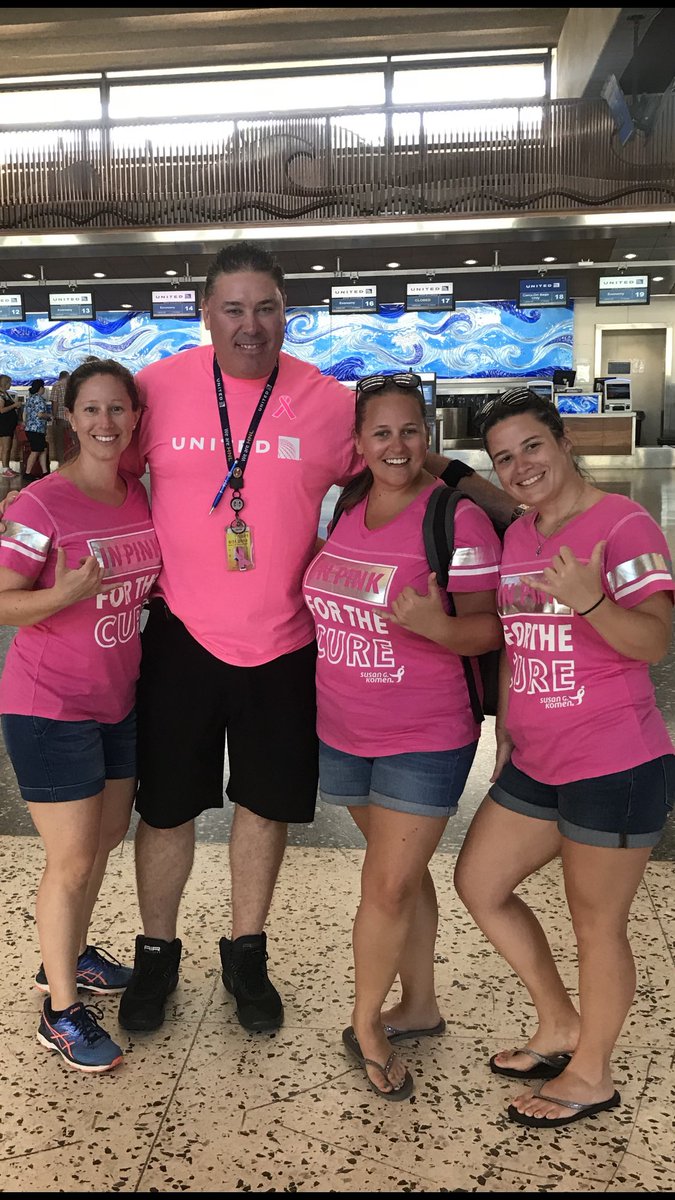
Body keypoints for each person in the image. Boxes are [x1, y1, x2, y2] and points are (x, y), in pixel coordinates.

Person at [115, 239, 517, 1038]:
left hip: (287, 642)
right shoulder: (157, 388)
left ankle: (246, 949)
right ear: (205, 314)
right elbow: (105, 467)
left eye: (266, 308)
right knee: (164, 809)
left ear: (286, 314)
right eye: (233, 308)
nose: (251, 325)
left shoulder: (329, 402)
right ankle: (156, 951)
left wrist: (526, 510)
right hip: (181, 635)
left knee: (264, 806)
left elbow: (408, 460)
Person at [453, 387, 674, 1129]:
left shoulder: (622, 524)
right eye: (503, 457)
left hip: (615, 763)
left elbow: (654, 641)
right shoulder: (520, 535)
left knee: (595, 925)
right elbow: (518, 639)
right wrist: (509, 724)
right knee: (480, 883)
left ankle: (591, 1075)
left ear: (563, 443)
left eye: (531, 447)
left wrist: (590, 601)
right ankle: (557, 1023)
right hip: (538, 757)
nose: (519, 467)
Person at [302, 373, 503, 1099]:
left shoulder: (455, 517)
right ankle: (418, 1002)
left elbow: (490, 626)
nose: (396, 445)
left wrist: (437, 628)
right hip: (342, 727)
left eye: (409, 431)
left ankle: (366, 1026)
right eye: (380, 433)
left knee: (383, 886)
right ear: (357, 445)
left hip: (423, 733)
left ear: (430, 437)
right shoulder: (346, 505)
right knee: (402, 874)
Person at [0, 359, 161, 1073]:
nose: (105, 424)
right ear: (69, 417)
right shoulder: (39, 505)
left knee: (105, 840)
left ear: (134, 417)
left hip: (116, 699)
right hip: (48, 705)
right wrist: (62, 595)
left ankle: (68, 955)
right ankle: (59, 1012)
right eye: (91, 410)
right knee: (68, 860)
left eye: (117, 410)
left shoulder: (137, 495)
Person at [23, 378, 50, 480]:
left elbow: (25, 414)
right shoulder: (39, 399)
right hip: (36, 429)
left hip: (31, 428)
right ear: (41, 388)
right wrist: (49, 416)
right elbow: (40, 414)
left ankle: (44, 471)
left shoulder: (30, 398)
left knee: (42, 449)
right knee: (35, 451)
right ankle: (28, 473)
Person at [49, 369, 72, 465]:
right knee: (72, 441)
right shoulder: (72, 387)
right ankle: (72, 462)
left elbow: (55, 402)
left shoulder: (56, 386)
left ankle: (62, 463)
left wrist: (53, 416)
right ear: (67, 376)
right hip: (71, 418)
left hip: (60, 417)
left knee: (59, 442)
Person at [0, 374, 21, 478]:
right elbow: (1, 410)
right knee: (6, 447)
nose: (10, 384)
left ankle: (7, 467)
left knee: (9, 447)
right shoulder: (0, 395)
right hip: (3, 425)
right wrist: (14, 405)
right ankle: (4, 469)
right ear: (4, 383)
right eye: (9, 383)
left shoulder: (6, 394)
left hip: (9, 425)